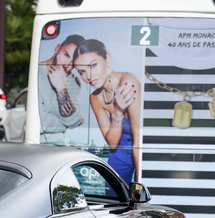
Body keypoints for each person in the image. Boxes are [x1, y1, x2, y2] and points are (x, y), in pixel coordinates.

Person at [73, 39, 140, 184]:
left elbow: (139, 143)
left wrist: (140, 185)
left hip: (138, 148)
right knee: (113, 198)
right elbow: (112, 142)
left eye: (93, 65)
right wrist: (117, 112)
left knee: (138, 198)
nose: (88, 77)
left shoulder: (128, 83)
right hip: (118, 153)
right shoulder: (96, 98)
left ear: (107, 59)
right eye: (82, 72)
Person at [39, 34, 85, 144]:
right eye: (66, 55)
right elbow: (40, 122)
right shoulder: (35, 73)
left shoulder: (74, 81)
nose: (66, 64)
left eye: (73, 62)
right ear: (57, 48)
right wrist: (67, 124)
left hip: (64, 148)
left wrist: (61, 88)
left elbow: (75, 119)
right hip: (38, 147)